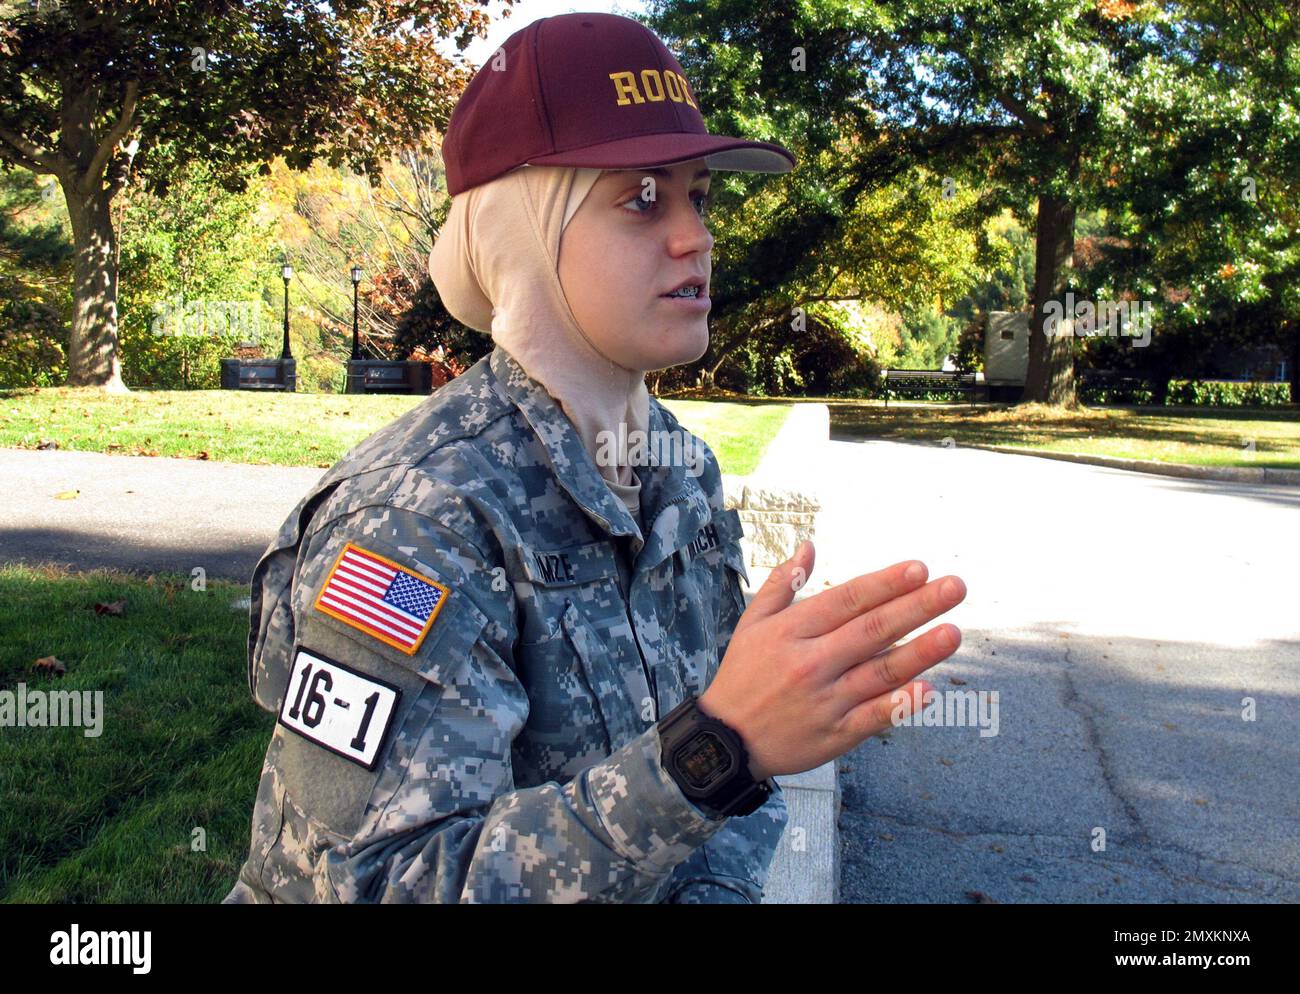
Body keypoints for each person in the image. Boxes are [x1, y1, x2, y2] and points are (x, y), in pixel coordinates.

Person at [223, 11, 966, 904]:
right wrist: (712, 752)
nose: (696, 236)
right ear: (526, 228)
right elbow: (370, 883)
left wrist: (734, 779)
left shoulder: (679, 471)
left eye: (699, 194)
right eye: (643, 197)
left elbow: (738, 799)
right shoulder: (412, 523)